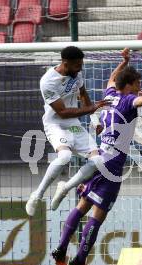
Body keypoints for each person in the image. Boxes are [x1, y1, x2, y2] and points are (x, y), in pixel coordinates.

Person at [50, 49, 142, 265]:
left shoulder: (110, 95)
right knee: (96, 217)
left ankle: (61, 248)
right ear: (130, 85)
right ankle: (79, 259)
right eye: (137, 84)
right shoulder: (129, 101)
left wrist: (123, 62)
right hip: (111, 167)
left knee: (82, 207)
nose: (139, 88)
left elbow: (112, 79)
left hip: (98, 158)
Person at [26, 46, 109, 217]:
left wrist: (94, 120)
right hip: (55, 123)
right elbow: (62, 112)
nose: (80, 68)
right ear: (65, 63)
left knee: (99, 160)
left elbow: (83, 94)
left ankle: (64, 187)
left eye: (81, 64)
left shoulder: (76, 73)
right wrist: (92, 109)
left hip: (72, 123)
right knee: (65, 156)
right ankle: (37, 195)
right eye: (77, 65)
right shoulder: (48, 82)